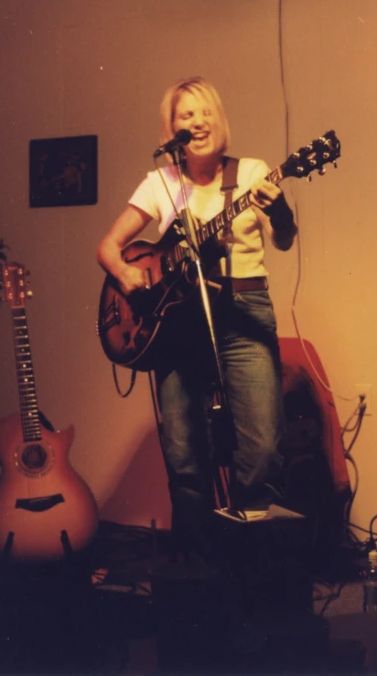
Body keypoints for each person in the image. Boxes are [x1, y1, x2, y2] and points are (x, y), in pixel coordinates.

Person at [97, 77, 297, 564]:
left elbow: (286, 239)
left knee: (262, 449)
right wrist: (128, 276)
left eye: (204, 113)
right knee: (185, 457)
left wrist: (283, 211)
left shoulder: (250, 173)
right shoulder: (161, 183)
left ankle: (253, 571)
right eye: (185, 117)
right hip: (178, 325)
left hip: (244, 311)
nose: (196, 123)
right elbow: (107, 248)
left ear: (219, 120)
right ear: (172, 130)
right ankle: (197, 571)